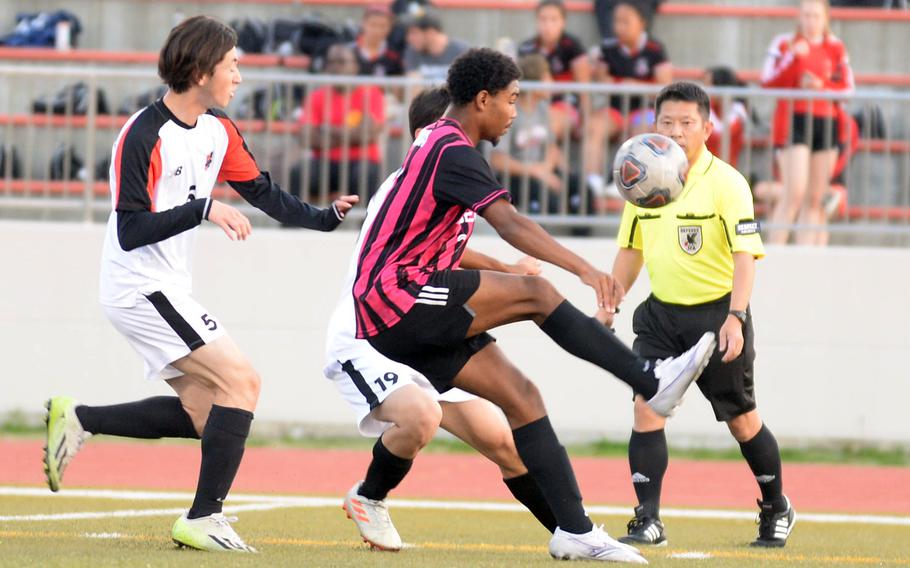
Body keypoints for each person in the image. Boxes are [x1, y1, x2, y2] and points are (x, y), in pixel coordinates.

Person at [353, 47, 716, 563]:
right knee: (538, 295)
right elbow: (512, 224)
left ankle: (577, 531)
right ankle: (650, 380)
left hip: (403, 302)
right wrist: (586, 270)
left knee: (523, 396)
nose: (516, 111)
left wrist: (501, 271)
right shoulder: (452, 149)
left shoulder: (442, 145)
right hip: (395, 298)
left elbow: (450, 241)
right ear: (482, 100)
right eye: (511, 99)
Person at [42, 15, 357, 553]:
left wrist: (324, 217)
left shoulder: (218, 128)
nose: (239, 77)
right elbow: (131, 227)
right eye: (233, 66)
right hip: (137, 286)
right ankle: (203, 518)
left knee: (206, 412)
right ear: (202, 68)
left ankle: (79, 418)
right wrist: (204, 208)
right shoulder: (143, 134)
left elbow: (263, 192)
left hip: (164, 287)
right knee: (245, 383)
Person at [327, 87, 558, 551]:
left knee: (504, 444)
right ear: (425, 135)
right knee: (422, 416)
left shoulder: (446, 184)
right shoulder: (400, 188)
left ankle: (572, 535)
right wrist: (513, 272)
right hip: (370, 335)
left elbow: (449, 254)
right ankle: (369, 496)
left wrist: (507, 269)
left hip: (424, 333)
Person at [604, 82, 794, 549]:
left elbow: (745, 255)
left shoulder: (727, 183)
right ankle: (647, 518)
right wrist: (610, 301)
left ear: (707, 128)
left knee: (741, 419)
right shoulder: (641, 175)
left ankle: (776, 506)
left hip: (717, 316)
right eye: (667, 122)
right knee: (646, 407)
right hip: (661, 317)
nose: (677, 131)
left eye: (687, 123)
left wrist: (736, 316)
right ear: (655, 125)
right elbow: (631, 250)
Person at [761, 0, 854, 245]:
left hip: (826, 121)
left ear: (825, 18)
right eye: (806, 15)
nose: (810, 21)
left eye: (815, 15)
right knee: (794, 193)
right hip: (795, 120)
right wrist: (793, 59)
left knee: (815, 198)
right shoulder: (786, 44)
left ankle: (806, 256)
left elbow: (847, 88)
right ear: (799, 17)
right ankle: (775, 253)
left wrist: (821, 86)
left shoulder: (835, 47)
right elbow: (768, 82)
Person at [585, 0, 672, 205]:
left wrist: (634, 85)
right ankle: (593, 182)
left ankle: (624, 182)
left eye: (626, 21)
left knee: (641, 131)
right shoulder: (609, 48)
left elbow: (663, 87)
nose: (619, 27)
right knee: (594, 126)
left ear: (641, 23)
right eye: (617, 21)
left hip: (642, 110)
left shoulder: (655, 49)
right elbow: (602, 80)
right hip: (615, 109)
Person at [489, 54, 584, 216]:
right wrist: (537, 172)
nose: (552, 83)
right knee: (546, 196)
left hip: (540, 170)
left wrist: (547, 168)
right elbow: (497, 160)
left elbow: (551, 146)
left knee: (581, 188)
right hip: (515, 176)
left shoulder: (542, 108)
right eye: (547, 77)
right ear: (534, 83)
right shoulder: (509, 111)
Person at [295, 43, 384, 200]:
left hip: (361, 162)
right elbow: (306, 138)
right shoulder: (317, 96)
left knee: (366, 174)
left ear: (355, 67)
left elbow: (367, 135)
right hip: (325, 162)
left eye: (342, 62)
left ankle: (368, 225)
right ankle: (290, 225)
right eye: (331, 62)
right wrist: (351, 135)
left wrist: (327, 129)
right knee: (298, 173)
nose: (336, 67)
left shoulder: (371, 93)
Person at [517, 0, 591, 141]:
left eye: (553, 19)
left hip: (566, 108)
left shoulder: (573, 47)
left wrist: (585, 122)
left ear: (563, 22)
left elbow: (584, 91)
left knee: (545, 127)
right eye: (543, 19)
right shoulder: (526, 48)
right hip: (533, 108)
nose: (547, 25)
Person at [704, 66, 749, 169]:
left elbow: (720, 137)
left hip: (726, 169)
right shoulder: (710, 108)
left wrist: (706, 111)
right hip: (706, 168)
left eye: (709, 85)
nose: (705, 90)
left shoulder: (738, 111)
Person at [403, 14, 469, 83]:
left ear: (430, 33)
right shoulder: (412, 51)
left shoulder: (461, 51)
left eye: (413, 33)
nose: (408, 38)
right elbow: (412, 86)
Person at [351, 5, 404, 77]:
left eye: (383, 26)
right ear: (363, 23)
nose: (377, 31)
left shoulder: (394, 56)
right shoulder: (349, 52)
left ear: (390, 28)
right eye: (373, 25)